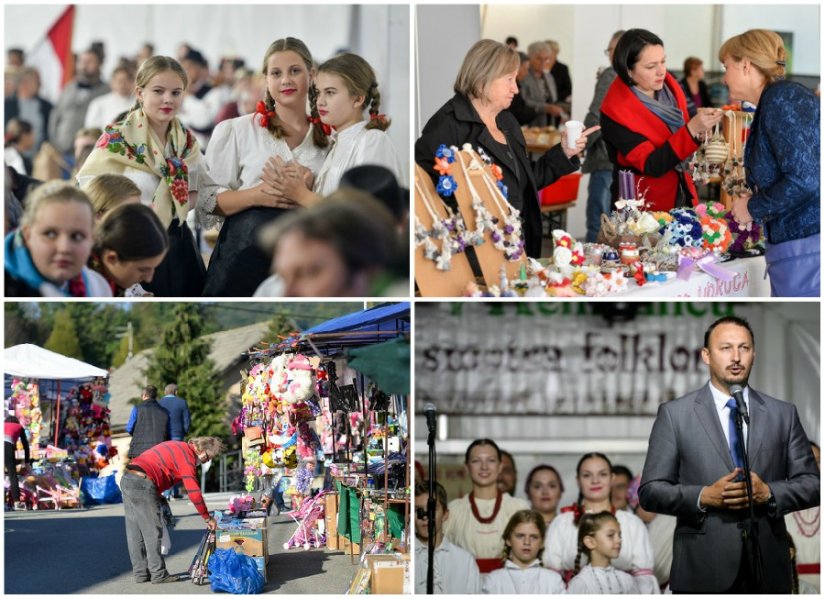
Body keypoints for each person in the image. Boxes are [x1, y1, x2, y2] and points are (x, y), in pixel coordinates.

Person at [639, 315, 820, 593]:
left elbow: (812, 484)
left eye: (744, 348)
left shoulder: (782, 414)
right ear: (706, 356)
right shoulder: (676, 415)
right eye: (725, 348)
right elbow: (651, 491)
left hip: (767, 567)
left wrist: (768, 493)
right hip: (703, 566)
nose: (736, 357)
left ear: (754, 354)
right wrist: (703, 496)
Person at [415, 39, 594, 259]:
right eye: (509, 79)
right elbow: (428, 200)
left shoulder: (506, 121)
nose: (516, 89)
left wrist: (565, 151)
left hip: (515, 245)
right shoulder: (447, 126)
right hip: (474, 255)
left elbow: (525, 181)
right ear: (482, 81)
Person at [198, 37, 329, 297]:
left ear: (311, 75)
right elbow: (205, 203)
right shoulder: (237, 130)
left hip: (307, 262)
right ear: (266, 80)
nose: (286, 81)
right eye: (276, 73)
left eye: (295, 71)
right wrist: (257, 195)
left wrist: (305, 190)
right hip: (242, 260)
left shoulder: (331, 136)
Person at [77, 56, 206, 297]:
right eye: (158, 91)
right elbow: (92, 194)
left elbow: (198, 189)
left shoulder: (187, 142)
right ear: (140, 93)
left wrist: (171, 209)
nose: (168, 99)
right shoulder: (117, 139)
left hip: (179, 246)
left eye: (176, 93)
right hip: (131, 246)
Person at [720, 29, 820, 298]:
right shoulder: (776, 100)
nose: (723, 76)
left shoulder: (781, 97)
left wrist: (753, 207)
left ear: (745, 64)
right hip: (799, 247)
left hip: (807, 248)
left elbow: (806, 179)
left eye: (726, 66)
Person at [600, 29, 723, 210]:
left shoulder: (671, 88)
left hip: (682, 192)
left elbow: (684, 132)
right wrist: (692, 129)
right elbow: (652, 164)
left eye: (663, 61)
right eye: (651, 67)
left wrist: (702, 130)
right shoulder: (615, 109)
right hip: (642, 205)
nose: (661, 71)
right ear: (629, 71)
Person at [268, 52, 404, 204]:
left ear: (358, 99)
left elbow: (367, 212)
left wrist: (302, 195)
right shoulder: (336, 143)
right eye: (318, 93)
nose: (320, 102)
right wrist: (312, 184)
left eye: (330, 93)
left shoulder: (373, 140)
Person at [543, 452, 658, 593]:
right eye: (587, 475)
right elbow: (551, 581)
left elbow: (644, 581)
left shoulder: (632, 523)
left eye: (602, 474)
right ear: (578, 480)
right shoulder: (562, 522)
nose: (595, 480)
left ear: (612, 478)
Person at [255, 190, 403, 297]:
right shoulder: (269, 290)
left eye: (309, 272)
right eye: (282, 276)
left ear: (367, 270)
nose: (286, 295)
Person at [121, 436, 224, 583]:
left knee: (134, 531)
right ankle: (158, 574)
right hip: (143, 482)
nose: (206, 461)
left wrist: (157, 493)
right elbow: (194, 492)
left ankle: (141, 573)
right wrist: (207, 517)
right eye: (208, 457)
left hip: (128, 478)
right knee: (152, 531)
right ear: (201, 450)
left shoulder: (178, 446)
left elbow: (159, 464)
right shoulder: (188, 458)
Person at [5, 181, 111, 297]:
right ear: (28, 235)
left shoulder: (98, 288)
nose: (64, 248)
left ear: (92, 239)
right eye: (50, 234)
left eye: (77, 236)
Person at [443, 439, 529, 572]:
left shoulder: (517, 508)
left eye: (491, 460)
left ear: (500, 466)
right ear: (466, 467)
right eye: (476, 461)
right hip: (464, 585)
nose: (484, 467)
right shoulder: (454, 510)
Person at [582, 30, 624, 242]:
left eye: (609, 50)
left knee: (597, 223)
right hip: (623, 160)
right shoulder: (634, 77)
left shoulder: (611, 74)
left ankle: (589, 271)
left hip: (604, 157)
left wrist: (582, 143)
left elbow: (596, 114)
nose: (608, 54)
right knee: (618, 226)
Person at [414, 480, 482, 594]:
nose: (425, 517)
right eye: (418, 510)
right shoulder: (406, 559)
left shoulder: (465, 561)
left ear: (445, 514)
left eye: (432, 509)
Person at [88, 203, 168, 296]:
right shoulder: (85, 288)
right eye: (143, 269)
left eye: (153, 268)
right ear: (111, 258)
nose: (149, 279)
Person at [483, 509, 565, 594]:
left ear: (542, 542)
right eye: (520, 536)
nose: (527, 542)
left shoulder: (554, 581)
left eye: (534, 537)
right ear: (508, 540)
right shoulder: (493, 581)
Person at [49, 48, 110, 158]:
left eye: (89, 61)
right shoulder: (68, 88)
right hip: (63, 151)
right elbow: (55, 116)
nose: (84, 65)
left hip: (91, 153)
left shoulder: (107, 91)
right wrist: (55, 142)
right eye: (82, 61)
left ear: (99, 64)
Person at [567, 511, 639, 594]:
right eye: (611, 535)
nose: (619, 540)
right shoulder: (581, 583)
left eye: (619, 535)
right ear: (590, 542)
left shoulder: (627, 580)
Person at [785, 441, 820, 592]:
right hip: (797, 584)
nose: (815, 467)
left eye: (818, 461)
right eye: (809, 462)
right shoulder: (783, 507)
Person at [4, 67, 52, 153]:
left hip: (38, 157)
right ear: (24, 83)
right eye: (36, 80)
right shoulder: (7, 105)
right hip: (13, 155)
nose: (40, 84)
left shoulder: (47, 106)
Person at [519, 41, 566, 128]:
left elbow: (553, 99)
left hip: (550, 123)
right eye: (539, 59)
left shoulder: (549, 76)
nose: (543, 62)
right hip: (530, 125)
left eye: (546, 59)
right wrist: (545, 108)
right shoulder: (524, 75)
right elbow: (523, 100)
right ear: (530, 57)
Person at [84, 65, 136, 129]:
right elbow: (92, 131)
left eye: (126, 80)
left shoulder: (140, 102)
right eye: (120, 81)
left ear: (133, 82)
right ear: (112, 82)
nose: (123, 84)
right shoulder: (98, 103)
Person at [126, 385, 170, 460]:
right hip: (159, 451)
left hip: (139, 450)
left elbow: (129, 428)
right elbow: (168, 432)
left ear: (144, 395)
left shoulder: (137, 408)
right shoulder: (165, 411)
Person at [506, 52, 540, 126]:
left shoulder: (518, 84)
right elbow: (514, 113)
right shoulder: (508, 88)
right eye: (525, 69)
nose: (527, 73)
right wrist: (535, 111)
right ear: (516, 68)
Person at [4, 414, 30, 511]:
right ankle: (17, 502)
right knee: (12, 475)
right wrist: (27, 462)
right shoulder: (19, 427)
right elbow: (25, 445)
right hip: (7, 447)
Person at [546, 40, 572, 109]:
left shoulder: (562, 68)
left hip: (558, 103)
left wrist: (554, 97)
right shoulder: (539, 67)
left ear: (556, 52)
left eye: (549, 51)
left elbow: (568, 88)